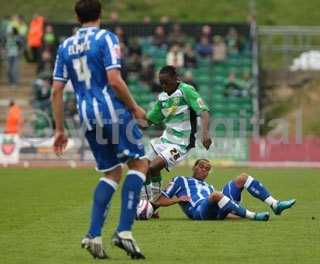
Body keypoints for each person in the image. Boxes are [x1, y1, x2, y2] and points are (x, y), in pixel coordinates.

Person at [51, 0, 148, 260]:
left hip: (87, 116)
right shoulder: (106, 38)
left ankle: (93, 234)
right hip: (112, 111)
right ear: (100, 14)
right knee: (139, 164)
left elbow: (56, 90)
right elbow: (114, 80)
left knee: (112, 172)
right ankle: (124, 231)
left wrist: (60, 129)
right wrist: (135, 107)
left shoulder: (65, 46)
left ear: (76, 16)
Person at [142, 66, 212, 202]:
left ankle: (150, 203)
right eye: (161, 83)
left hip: (181, 145)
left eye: (166, 82)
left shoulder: (186, 91)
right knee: (144, 167)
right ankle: (149, 204)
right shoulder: (162, 98)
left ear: (176, 78)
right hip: (165, 140)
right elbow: (149, 121)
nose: (163, 86)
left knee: (153, 167)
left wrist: (206, 133)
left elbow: (204, 112)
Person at [153, 159, 296, 221]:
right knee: (216, 195)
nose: (204, 170)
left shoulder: (209, 187)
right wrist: (178, 199)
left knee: (243, 178)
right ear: (194, 167)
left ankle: (274, 204)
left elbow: (220, 211)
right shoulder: (180, 180)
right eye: (201, 166)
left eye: (207, 169)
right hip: (199, 212)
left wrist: (238, 217)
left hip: (214, 204)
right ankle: (254, 216)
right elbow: (159, 200)